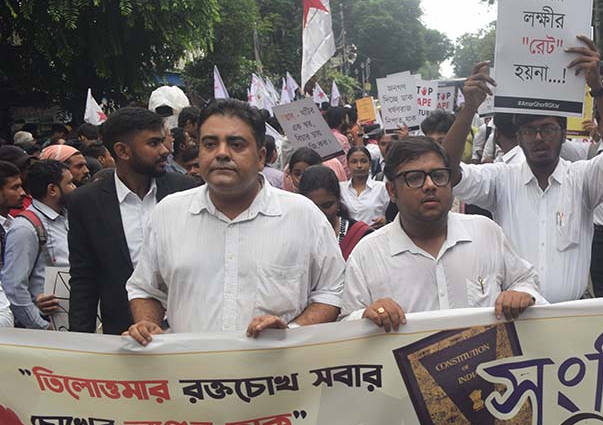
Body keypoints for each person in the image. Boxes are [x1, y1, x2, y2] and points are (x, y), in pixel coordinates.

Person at [125, 98, 345, 343]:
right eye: (209, 144)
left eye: (236, 144)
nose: (221, 153)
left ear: (261, 157)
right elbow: (146, 289)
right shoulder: (168, 214)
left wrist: (290, 332)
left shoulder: (303, 215)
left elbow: (331, 292)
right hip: (191, 376)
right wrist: (148, 325)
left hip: (277, 375)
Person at [442, 40, 603, 303]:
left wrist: (598, 88)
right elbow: (447, 171)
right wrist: (468, 109)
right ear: (519, 137)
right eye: (529, 131)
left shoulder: (581, 178)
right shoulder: (501, 179)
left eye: (547, 129)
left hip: (571, 316)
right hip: (515, 315)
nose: (538, 138)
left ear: (563, 134)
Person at [342, 137, 542, 328]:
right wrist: (366, 316)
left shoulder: (486, 232)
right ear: (392, 191)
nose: (430, 186)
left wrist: (520, 293)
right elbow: (345, 325)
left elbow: (525, 279)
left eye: (438, 176)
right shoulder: (367, 255)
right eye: (415, 178)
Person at [66, 107, 199, 336]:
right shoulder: (86, 202)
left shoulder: (187, 191)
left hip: (189, 332)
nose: (165, 150)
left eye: (162, 141)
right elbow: (84, 280)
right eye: (153, 143)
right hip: (125, 336)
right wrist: (81, 344)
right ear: (123, 151)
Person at [1, 160, 76, 329]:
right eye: (70, 183)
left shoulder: (69, 216)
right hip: (52, 327)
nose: (75, 188)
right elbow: (14, 287)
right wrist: (41, 326)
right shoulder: (25, 228)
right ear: (52, 189)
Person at [299, 165, 372, 259]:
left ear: (338, 201)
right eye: (313, 207)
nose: (320, 213)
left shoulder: (361, 237)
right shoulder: (294, 236)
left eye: (327, 206)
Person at [340, 146, 389, 228]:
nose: (359, 165)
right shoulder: (341, 189)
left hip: (375, 236)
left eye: (363, 161)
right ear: (348, 164)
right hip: (349, 238)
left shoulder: (382, 188)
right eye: (354, 162)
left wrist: (385, 219)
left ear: (370, 164)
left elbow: (393, 213)